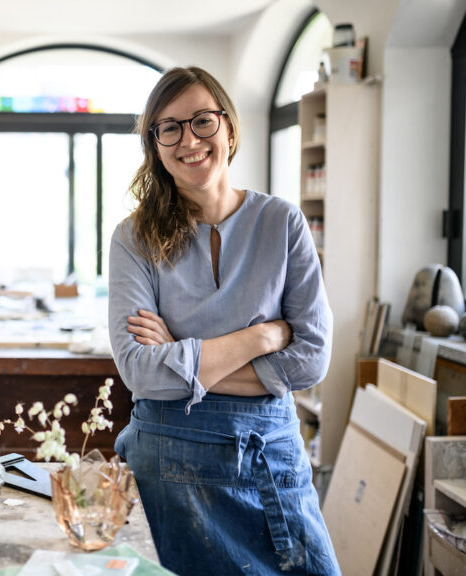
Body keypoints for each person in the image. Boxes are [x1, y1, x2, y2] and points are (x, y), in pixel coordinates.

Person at [109, 66, 340, 575]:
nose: (188, 139)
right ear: (155, 145)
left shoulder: (282, 222)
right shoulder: (134, 237)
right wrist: (261, 336)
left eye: (202, 121)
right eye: (169, 127)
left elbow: (310, 361)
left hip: (270, 459)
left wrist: (185, 357)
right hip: (169, 465)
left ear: (230, 129)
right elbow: (140, 372)